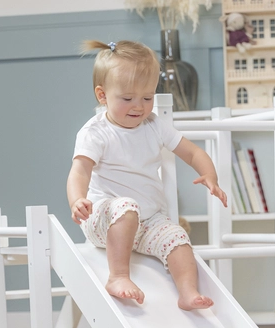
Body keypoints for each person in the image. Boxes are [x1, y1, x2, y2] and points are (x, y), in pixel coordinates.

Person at [67, 40, 227, 310]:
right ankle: (118, 276)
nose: (139, 106)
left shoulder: (154, 126)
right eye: (127, 98)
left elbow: (192, 153)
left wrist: (210, 175)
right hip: (104, 220)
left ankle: (188, 293)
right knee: (126, 206)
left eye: (147, 98)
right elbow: (80, 171)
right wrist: (77, 200)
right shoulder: (96, 132)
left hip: (148, 221)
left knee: (177, 238)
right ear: (102, 95)